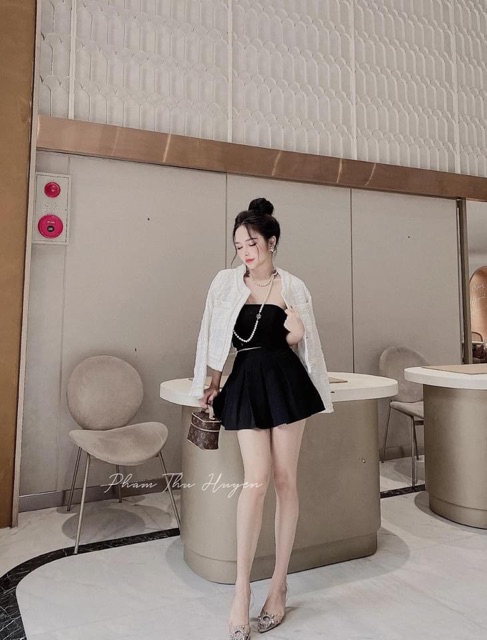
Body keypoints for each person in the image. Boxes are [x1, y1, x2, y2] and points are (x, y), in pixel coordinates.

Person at [190, 198, 333, 640]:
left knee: (285, 480)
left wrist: (296, 333)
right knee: (256, 481)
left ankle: (278, 587)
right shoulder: (225, 283)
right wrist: (212, 381)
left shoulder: (293, 286)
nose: (245, 252)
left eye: (251, 243)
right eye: (238, 245)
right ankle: (241, 591)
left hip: (286, 381)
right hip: (247, 380)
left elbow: (303, 345)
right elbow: (213, 333)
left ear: (271, 242)